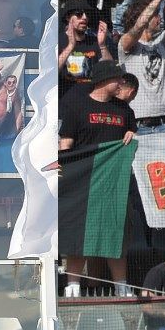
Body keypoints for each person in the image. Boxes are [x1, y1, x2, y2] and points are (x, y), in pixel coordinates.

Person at [59, 60, 136, 298]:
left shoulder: (125, 111)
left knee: (116, 232)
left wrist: (132, 134)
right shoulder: (77, 107)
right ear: (105, 80)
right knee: (79, 234)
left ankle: (121, 285)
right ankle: (73, 286)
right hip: (83, 183)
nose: (122, 82)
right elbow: (66, 145)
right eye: (118, 78)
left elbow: (132, 140)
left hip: (114, 184)